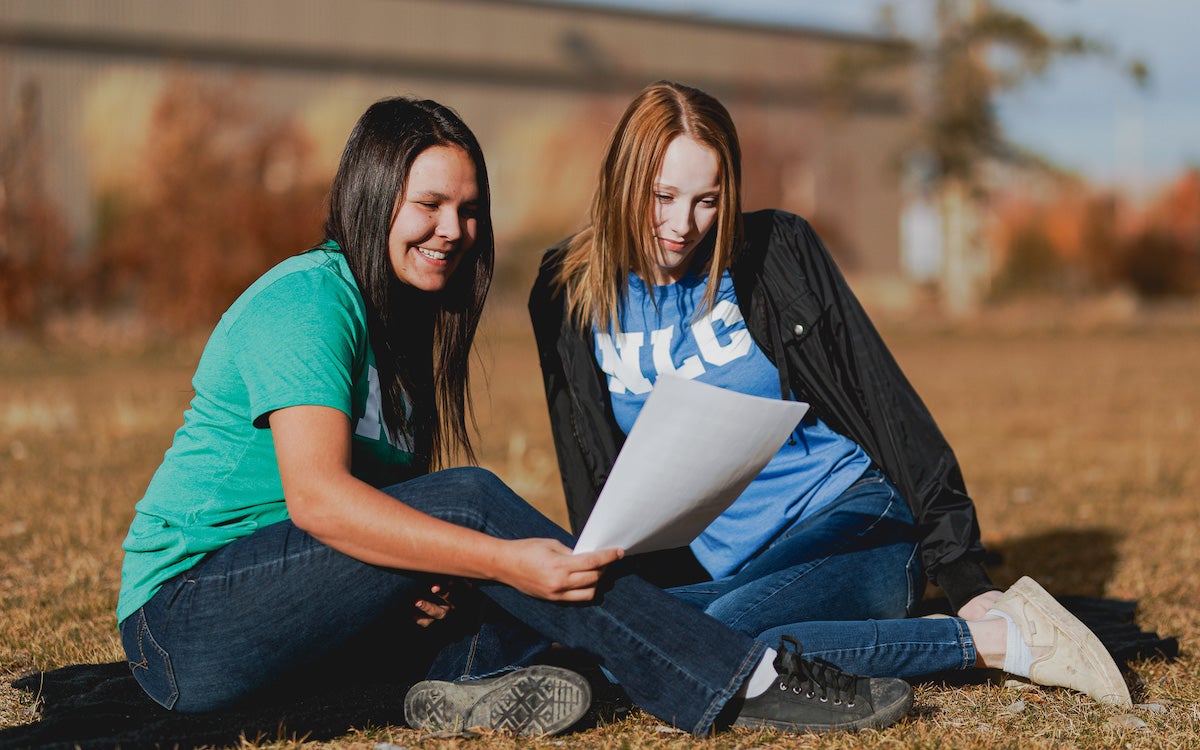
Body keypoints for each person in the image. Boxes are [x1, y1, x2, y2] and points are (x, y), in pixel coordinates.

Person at [116, 95, 920, 739]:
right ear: (370, 195)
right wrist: (493, 559)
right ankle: (741, 681)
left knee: (497, 610)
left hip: (288, 612)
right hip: (185, 624)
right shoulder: (308, 301)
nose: (454, 231)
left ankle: (478, 685)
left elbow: (379, 522)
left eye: (468, 211)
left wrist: (437, 580)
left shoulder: (400, 336)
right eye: (429, 205)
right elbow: (320, 501)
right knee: (471, 508)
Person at [528, 80, 1130, 706]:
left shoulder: (773, 253)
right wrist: (611, 582)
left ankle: (993, 637)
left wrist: (961, 573)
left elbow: (885, 404)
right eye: (663, 197)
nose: (684, 225)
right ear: (622, 180)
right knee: (658, 625)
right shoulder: (565, 291)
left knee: (702, 633)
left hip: (854, 519)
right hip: (727, 572)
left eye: (708, 201)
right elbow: (592, 465)